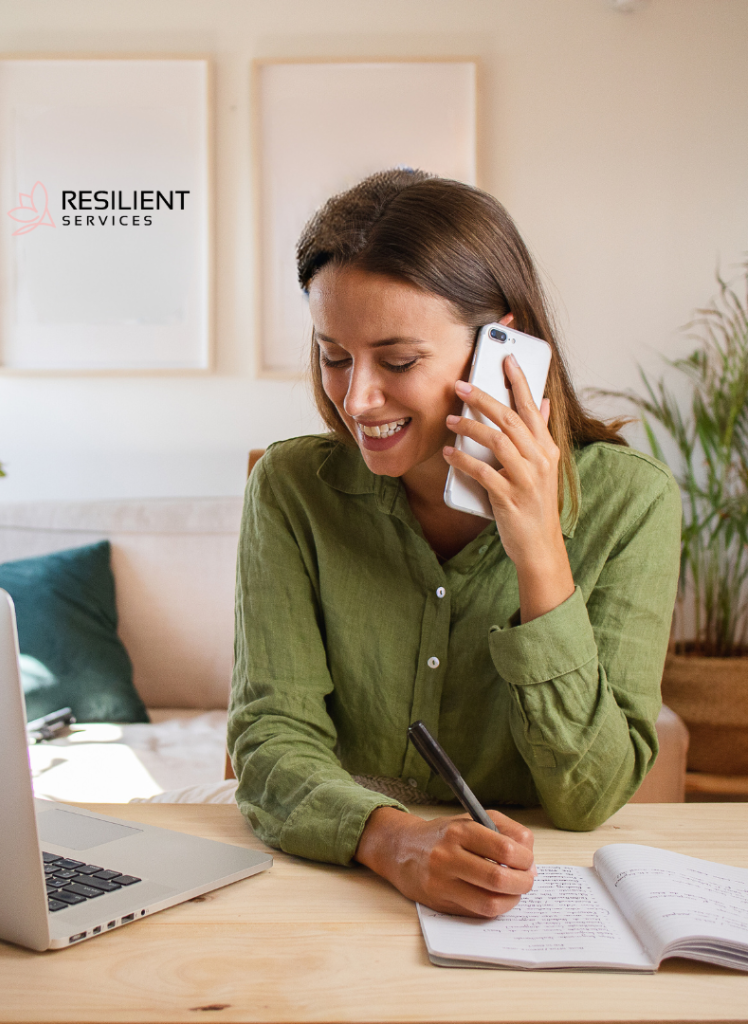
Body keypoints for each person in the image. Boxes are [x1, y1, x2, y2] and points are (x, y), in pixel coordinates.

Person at [227, 169, 682, 919]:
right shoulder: (291, 489)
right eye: (333, 355)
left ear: (501, 347)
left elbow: (589, 798)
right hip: (335, 884)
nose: (356, 398)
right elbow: (271, 740)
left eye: (398, 361)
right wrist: (394, 843)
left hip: (535, 900)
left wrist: (538, 549)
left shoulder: (631, 504)